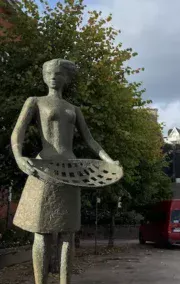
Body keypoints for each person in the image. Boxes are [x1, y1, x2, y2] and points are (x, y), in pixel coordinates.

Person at [11, 59, 118, 284]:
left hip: (71, 171)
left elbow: (91, 140)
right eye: (49, 72)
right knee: (41, 232)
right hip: (45, 169)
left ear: (66, 78)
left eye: (59, 73)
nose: (53, 76)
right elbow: (17, 133)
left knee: (68, 232)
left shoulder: (73, 109)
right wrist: (19, 157)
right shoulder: (35, 102)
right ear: (43, 76)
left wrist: (110, 160)